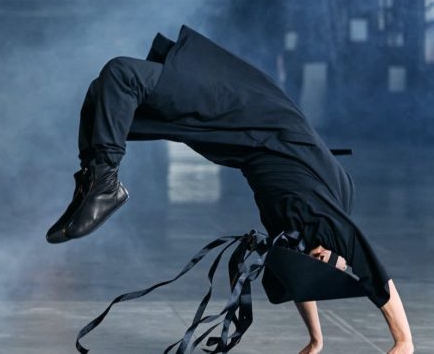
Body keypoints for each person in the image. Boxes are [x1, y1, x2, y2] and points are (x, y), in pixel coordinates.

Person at [47, 25, 414, 354]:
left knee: (106, 92)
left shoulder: (294, 229)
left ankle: (97, 178)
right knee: (120, 76)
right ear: (338, 253)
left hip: (239, 137)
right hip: (244, 111)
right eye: (327, 259)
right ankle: (101, 181)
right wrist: (403, 341)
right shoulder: (324, 220)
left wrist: (316, 340)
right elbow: (376, 273)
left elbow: (303, 277)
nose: (315, 256)